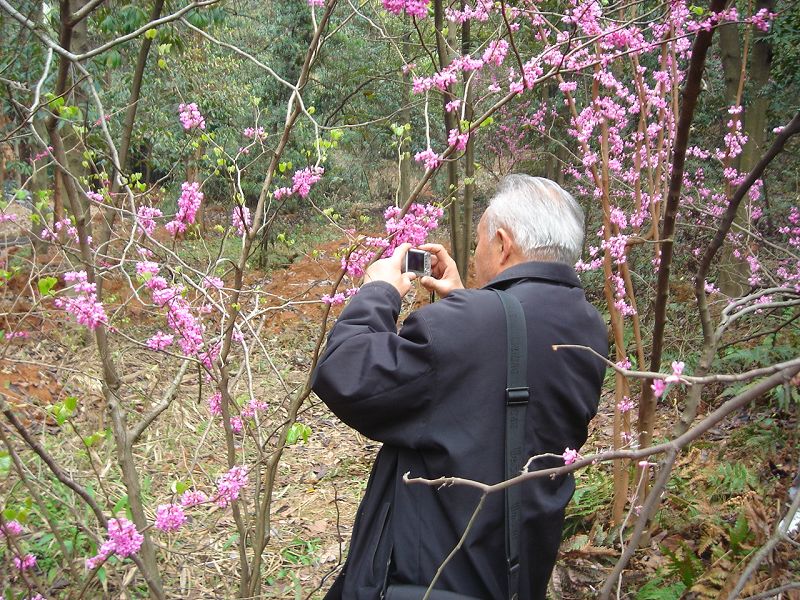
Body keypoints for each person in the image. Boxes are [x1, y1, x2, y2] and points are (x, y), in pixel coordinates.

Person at [312, 174, 608, 600]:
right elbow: (500, 382)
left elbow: (346, 372)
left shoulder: (470, 324)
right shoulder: (588, 326)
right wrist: (469, 301)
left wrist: (377, 291)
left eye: (479, 245)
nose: (473, 257)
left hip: (432, 578)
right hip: (515, 573)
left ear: (503, 244)